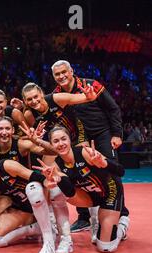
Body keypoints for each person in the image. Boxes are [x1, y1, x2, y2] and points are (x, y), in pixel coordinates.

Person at [51, 60, 129, 233]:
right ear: (54, 77)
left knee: (111, 171)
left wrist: (117, 134)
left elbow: (113, 108)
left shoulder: (91, 84)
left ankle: (122, 214)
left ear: (71, 71)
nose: (62, 76)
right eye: (57, 74)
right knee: (75, 176)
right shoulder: (57, 95)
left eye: (64, 72)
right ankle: (84, 218)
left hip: (103, 134)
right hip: (78, 138)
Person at [41, 126, 129, 252]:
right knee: (59, 192)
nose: (61, 144)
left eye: (63, 139)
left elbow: (121, 171)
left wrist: (105, 163)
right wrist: (57, 180)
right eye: (56, 141)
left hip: (111, 191)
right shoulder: (56, 166)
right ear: (51, 145)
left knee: (105, 247)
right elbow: (70, 192)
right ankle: (96, 222)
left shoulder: (85, 152)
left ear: (70, 140)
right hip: (92, 197)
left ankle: (123, 223)